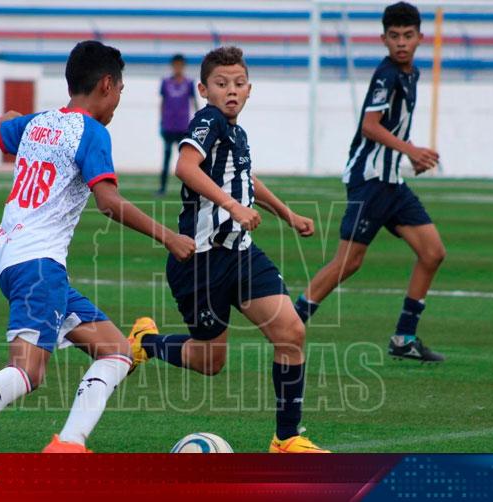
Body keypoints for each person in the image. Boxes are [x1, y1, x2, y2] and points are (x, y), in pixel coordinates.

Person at [0, 41, 196, 453]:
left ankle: (69, 446)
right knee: (28, 372)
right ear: (107, 85)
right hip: (38, 262)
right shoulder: (92, 133)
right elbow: (109, 203)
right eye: (120, 91)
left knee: (115, 352)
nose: (117, 102)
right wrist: (169, 237)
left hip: (16, 258)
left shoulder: (37, 122)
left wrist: (7, 119)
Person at [126, 46, 329, 453]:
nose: (230, 91)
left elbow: (245, 177)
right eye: (221, 84)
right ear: (204, 89)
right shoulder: (208, 119)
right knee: (209, 362)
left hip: (241, 254)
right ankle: (145, 343)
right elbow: (184, 167)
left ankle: (287, 439)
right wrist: (232, 206)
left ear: (249, 89)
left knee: (291, 332)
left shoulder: (236, 132)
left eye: (238, 83)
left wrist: (288, 215)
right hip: (200, 262)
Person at [293, 1, 447, 363]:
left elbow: (391, 127)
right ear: (383, 39)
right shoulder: (387, 75)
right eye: (394, 36)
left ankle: (404, 337)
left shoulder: (412, 74)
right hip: (370, 180)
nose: (401, 43)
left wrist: (407, 157)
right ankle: (290, 321)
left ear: (420, 38)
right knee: (348, 261)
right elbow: (370, 125)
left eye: (408, 36)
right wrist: (411, 150)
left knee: (433, 252)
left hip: (391, 182)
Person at [157, 54, 198, 196]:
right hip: (169, 126)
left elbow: (194, 102)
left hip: (183, 127)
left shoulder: (189, 83)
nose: (178, 68)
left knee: (186, 161)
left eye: (180, 65)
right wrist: (161, 121)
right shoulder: (166, 82)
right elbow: (162, 102)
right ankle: (162, 188)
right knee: (166, 158)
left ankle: (190, 189)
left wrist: (198, 120)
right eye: (176, 65)